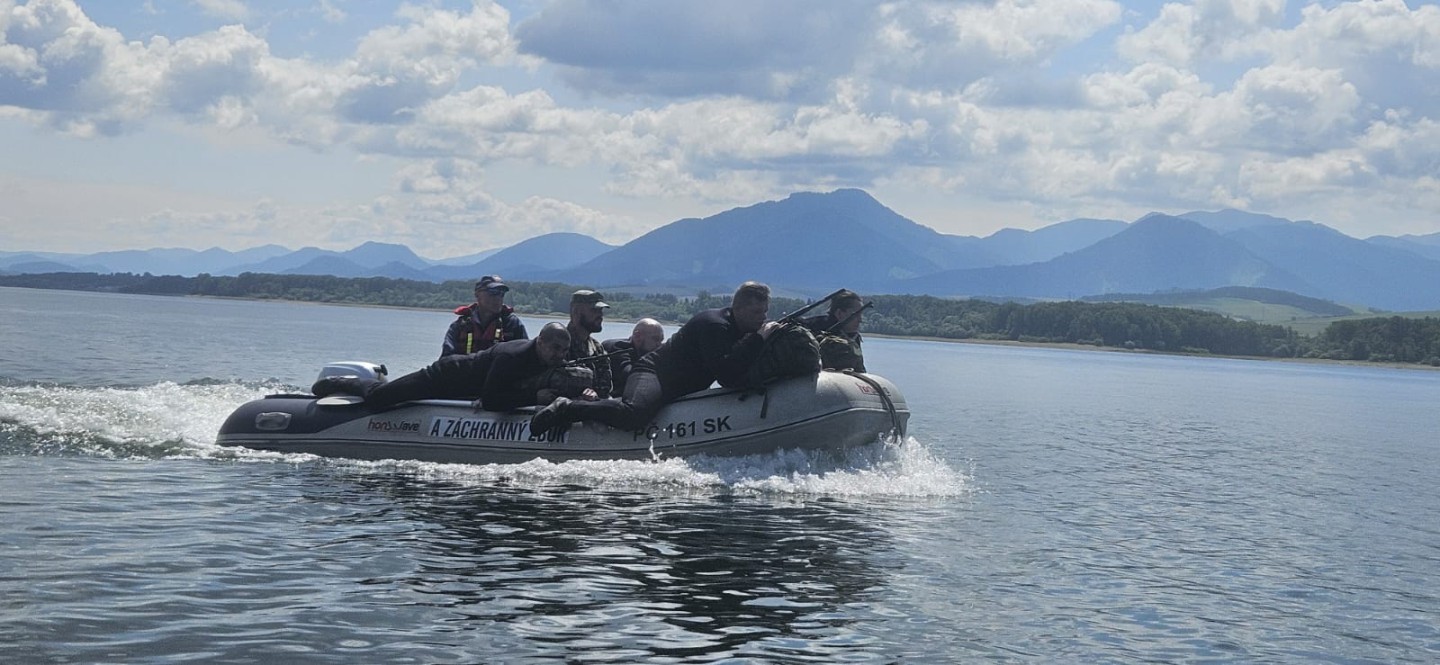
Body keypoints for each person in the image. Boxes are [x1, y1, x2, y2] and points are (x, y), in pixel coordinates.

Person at [530, 281, 779, 435]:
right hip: (653, 373)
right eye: (757, 312)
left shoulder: (742, 330)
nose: (762, 318)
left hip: (678, 388)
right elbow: (727, 375)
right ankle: (567, 407)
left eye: (765, 312)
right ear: (739, 308)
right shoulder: (714, 325)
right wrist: (758, 339)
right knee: (634, 414)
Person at [315, 322, 570, 411]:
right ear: (540, 341)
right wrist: (533, 397)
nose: (560, 355)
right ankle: (339, 382)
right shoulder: (512, 356)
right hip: (447, 376)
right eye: (555, 348)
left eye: (564, 351)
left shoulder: (546, 359)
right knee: (380, 398)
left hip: (464, 390)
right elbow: (492, 400)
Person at [441, 275, 528, 357]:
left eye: (501, 293)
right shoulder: (460, 326)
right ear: (477, 294)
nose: (498, 298)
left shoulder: (512, 324)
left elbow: (526, 357)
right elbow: (445, 361)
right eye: (493, 292)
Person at [562, 290, 614, 400]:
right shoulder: (558, 345)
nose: (600, 315)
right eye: (594, 310)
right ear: (576, 312)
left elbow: (605, 389)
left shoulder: (597, 348)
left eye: (601, 310)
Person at [800, 289, 867, 373]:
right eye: (856, 315)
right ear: (839, 313)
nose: (860, 320)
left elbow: (859, 370)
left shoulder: (852, 336)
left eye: (861, 315)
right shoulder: (811, 327)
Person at [601, 318, 665, 396]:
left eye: (661, 340)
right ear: (638, 336)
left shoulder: (646, 352)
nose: (659, 345)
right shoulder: (619, 346)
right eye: (656, 339)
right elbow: (629, 374)